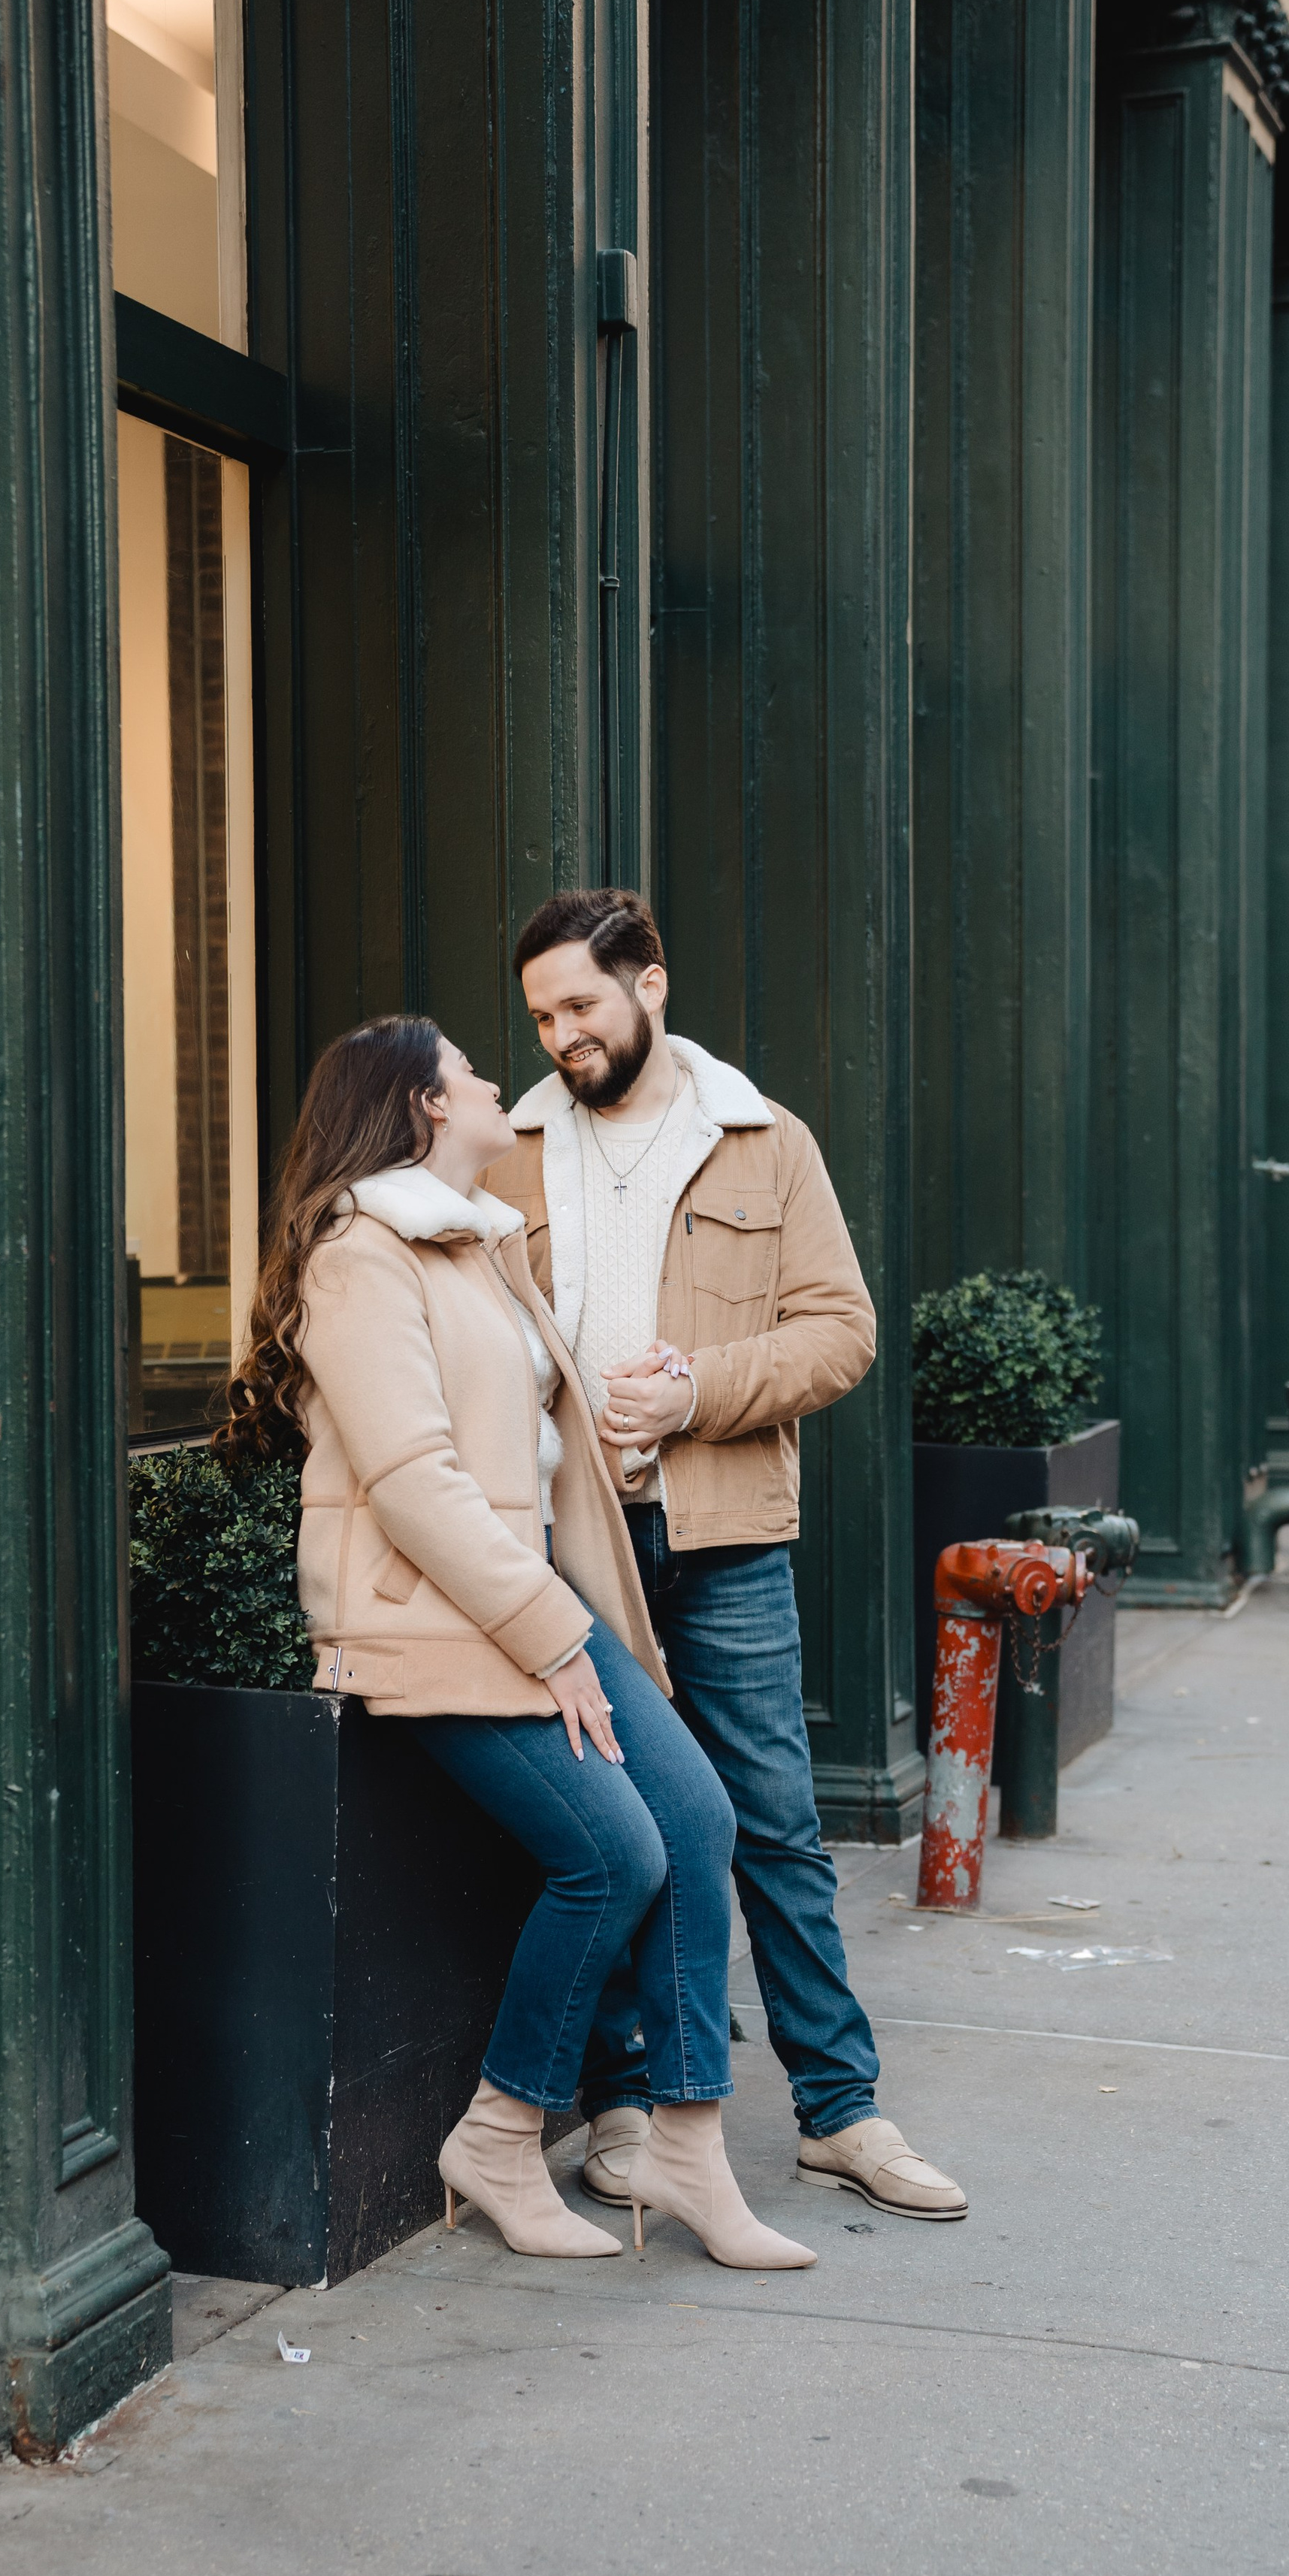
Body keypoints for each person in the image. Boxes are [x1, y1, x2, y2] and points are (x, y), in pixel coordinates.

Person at [225, 1011, 815, 2270]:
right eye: (474, 1071)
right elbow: (413, 1480)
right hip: (436, 1626)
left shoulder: (479, 1246)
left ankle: (687, 2148)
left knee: (697, 1824)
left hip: (535, 1605)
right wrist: (555, 1641)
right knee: (612, 1857)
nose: (504, 1079)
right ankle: (499, 2134)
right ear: (427, 1107)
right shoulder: (360, 1257)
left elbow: (539, 1471)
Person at [486, 889, 968, 2223]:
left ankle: (842, 2110)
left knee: (776, 1826)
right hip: (569, 1548)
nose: (562, 1035)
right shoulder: (508, 1151)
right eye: (540, 1016)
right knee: (619, 1825)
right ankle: (625, 2105)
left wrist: (699, 1391)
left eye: (581, 1003)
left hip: (726, 1533)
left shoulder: (763, 1142)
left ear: (649, 982)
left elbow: (844, 1330)